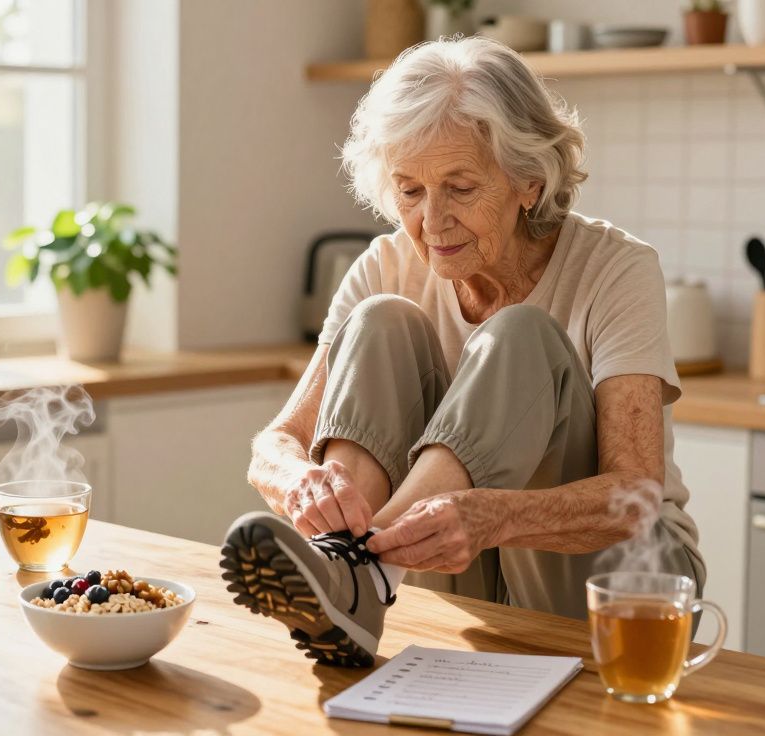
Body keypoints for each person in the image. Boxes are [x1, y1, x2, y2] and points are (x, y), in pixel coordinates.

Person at [220, 37, 704, 667]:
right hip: (458, 576)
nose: (432, 221)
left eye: (461, 187)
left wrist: (494, 517)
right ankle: (355, 573)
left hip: (622, 588)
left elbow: (636, 494)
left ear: (529, 181)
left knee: (520, 335)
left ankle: (360, 571)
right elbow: (273, 444)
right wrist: (303, 486)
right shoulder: (387, 264)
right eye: (410, 191)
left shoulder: (617, 269)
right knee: (382, 321)